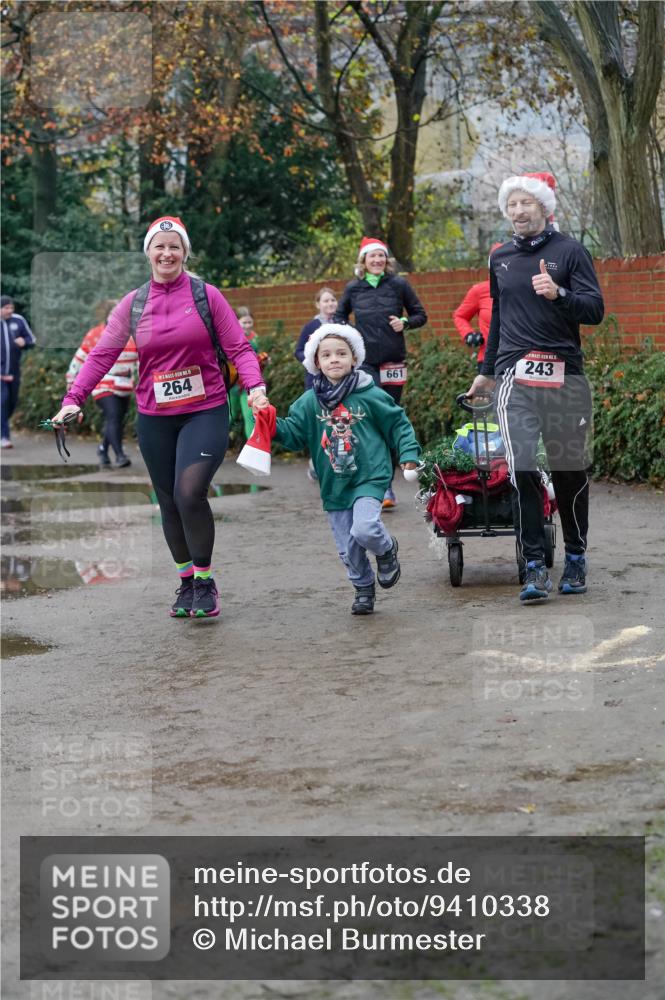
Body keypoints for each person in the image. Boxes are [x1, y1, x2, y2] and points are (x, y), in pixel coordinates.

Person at [51, 216, 268, 619]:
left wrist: (255, 387)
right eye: (160, 246)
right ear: (148, 253)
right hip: (154, 415)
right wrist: (74, 398)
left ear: (185, 252)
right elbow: (102, 354)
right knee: (168, 500)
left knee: (189, 493)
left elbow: (239, 347)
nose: (167, 253)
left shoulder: (206, 295)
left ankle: (205, 581)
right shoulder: (133, 304)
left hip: (205, 410)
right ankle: (186, 581)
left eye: (174, 246)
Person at [466, 172, 604, 602]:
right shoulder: (500, 257)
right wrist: (487, 371)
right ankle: (533, 566)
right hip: (514, 377)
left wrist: (558, 293)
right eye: (512, 205)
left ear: (544, 209)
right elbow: (500, 318)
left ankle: (576, 557)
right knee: (522, 466)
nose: (519, 211)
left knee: (568, 471)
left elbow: (595, 310)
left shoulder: (570, 251)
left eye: (527, 203)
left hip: (565, 376)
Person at [271, 322, 420, 615]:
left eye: (341, 353)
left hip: (369, 475)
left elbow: (398, 423)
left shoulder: (369, 393)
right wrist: (266, 420)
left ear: (354, 358)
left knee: (365, 528)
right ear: (316, 362)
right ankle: (363, 588)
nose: (334, 359)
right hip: (334, 482)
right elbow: (291, 435)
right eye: (326, 355)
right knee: (348, 547)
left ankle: (386, 549)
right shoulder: (308, 402)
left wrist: (408, 453)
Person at [334, 237, 427, 508]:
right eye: (371, 257)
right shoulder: (354, 288)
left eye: (381, 256)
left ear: (387, 261)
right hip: (365, 364)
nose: (377, 261)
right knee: (371, 416)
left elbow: (421, 314)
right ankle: (379, 484)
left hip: (394, 362)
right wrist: (351, 335)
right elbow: (339, 317)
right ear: (363, 262)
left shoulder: (398, 285)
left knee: (389, 416)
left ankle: (385, 484)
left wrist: (405, 322)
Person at [66, 299, 138, 468]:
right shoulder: (96, 334)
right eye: (113, 313)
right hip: (103, 383)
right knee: (113, 415)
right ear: (107, 315)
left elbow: (140, 361)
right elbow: (80, 357)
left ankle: (103, 449)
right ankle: (120, 455)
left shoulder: (132, 335)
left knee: (116, 419)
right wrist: (71, 380)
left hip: (125, 385)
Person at [294, 286, 338, 480]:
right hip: (317, 382)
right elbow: (299, 351)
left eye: (333, 300)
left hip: (339, 383)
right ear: (318, 304)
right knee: (320, 422)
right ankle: (315, 461)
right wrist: (316, 361)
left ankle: (336, 461)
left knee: (338, 422)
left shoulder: (342, 324)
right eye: (325, 301)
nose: (330, 304)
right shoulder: (311, 326)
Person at [453, 244, 502, 370]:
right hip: (489, 359)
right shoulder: (479, 291)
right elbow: (460, 316)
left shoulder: (522, 290)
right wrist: (468, 334)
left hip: (518, 359)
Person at [1, 294, 36, 448]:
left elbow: (32, 340)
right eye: (6, 308)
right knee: (3, 401)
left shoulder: (18, 320)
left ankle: (2, 428)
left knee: (12, 402)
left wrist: (25, 342)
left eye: (11, 307)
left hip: (14, 371)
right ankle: (4, 437)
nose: (10, 310)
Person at [228, 307, 266, 442]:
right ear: (236, 322)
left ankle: (253, 446)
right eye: (244, 322)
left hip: (248, 385)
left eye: (250, 322)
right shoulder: (230, 337)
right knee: (229, 416)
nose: (247, 325)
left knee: (250, 415)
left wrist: (264, 359)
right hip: (232, 384)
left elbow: (260, 361)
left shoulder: (256, 339)